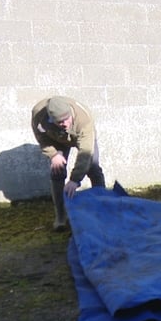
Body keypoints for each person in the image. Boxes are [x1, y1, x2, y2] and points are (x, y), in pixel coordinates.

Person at [31, 96, 105, 231]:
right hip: (56, 138)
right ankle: (61, 216)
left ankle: (102, 210)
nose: (64, 123)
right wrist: (53, 154)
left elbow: (85, 153)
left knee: (93, 167)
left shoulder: (84, 119)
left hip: (79, 136)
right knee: (57, 170)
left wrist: (75, 180)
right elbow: (41, 138)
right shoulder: (39, 115)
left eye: (66, 119)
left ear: (70, 113)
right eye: (59, 121)